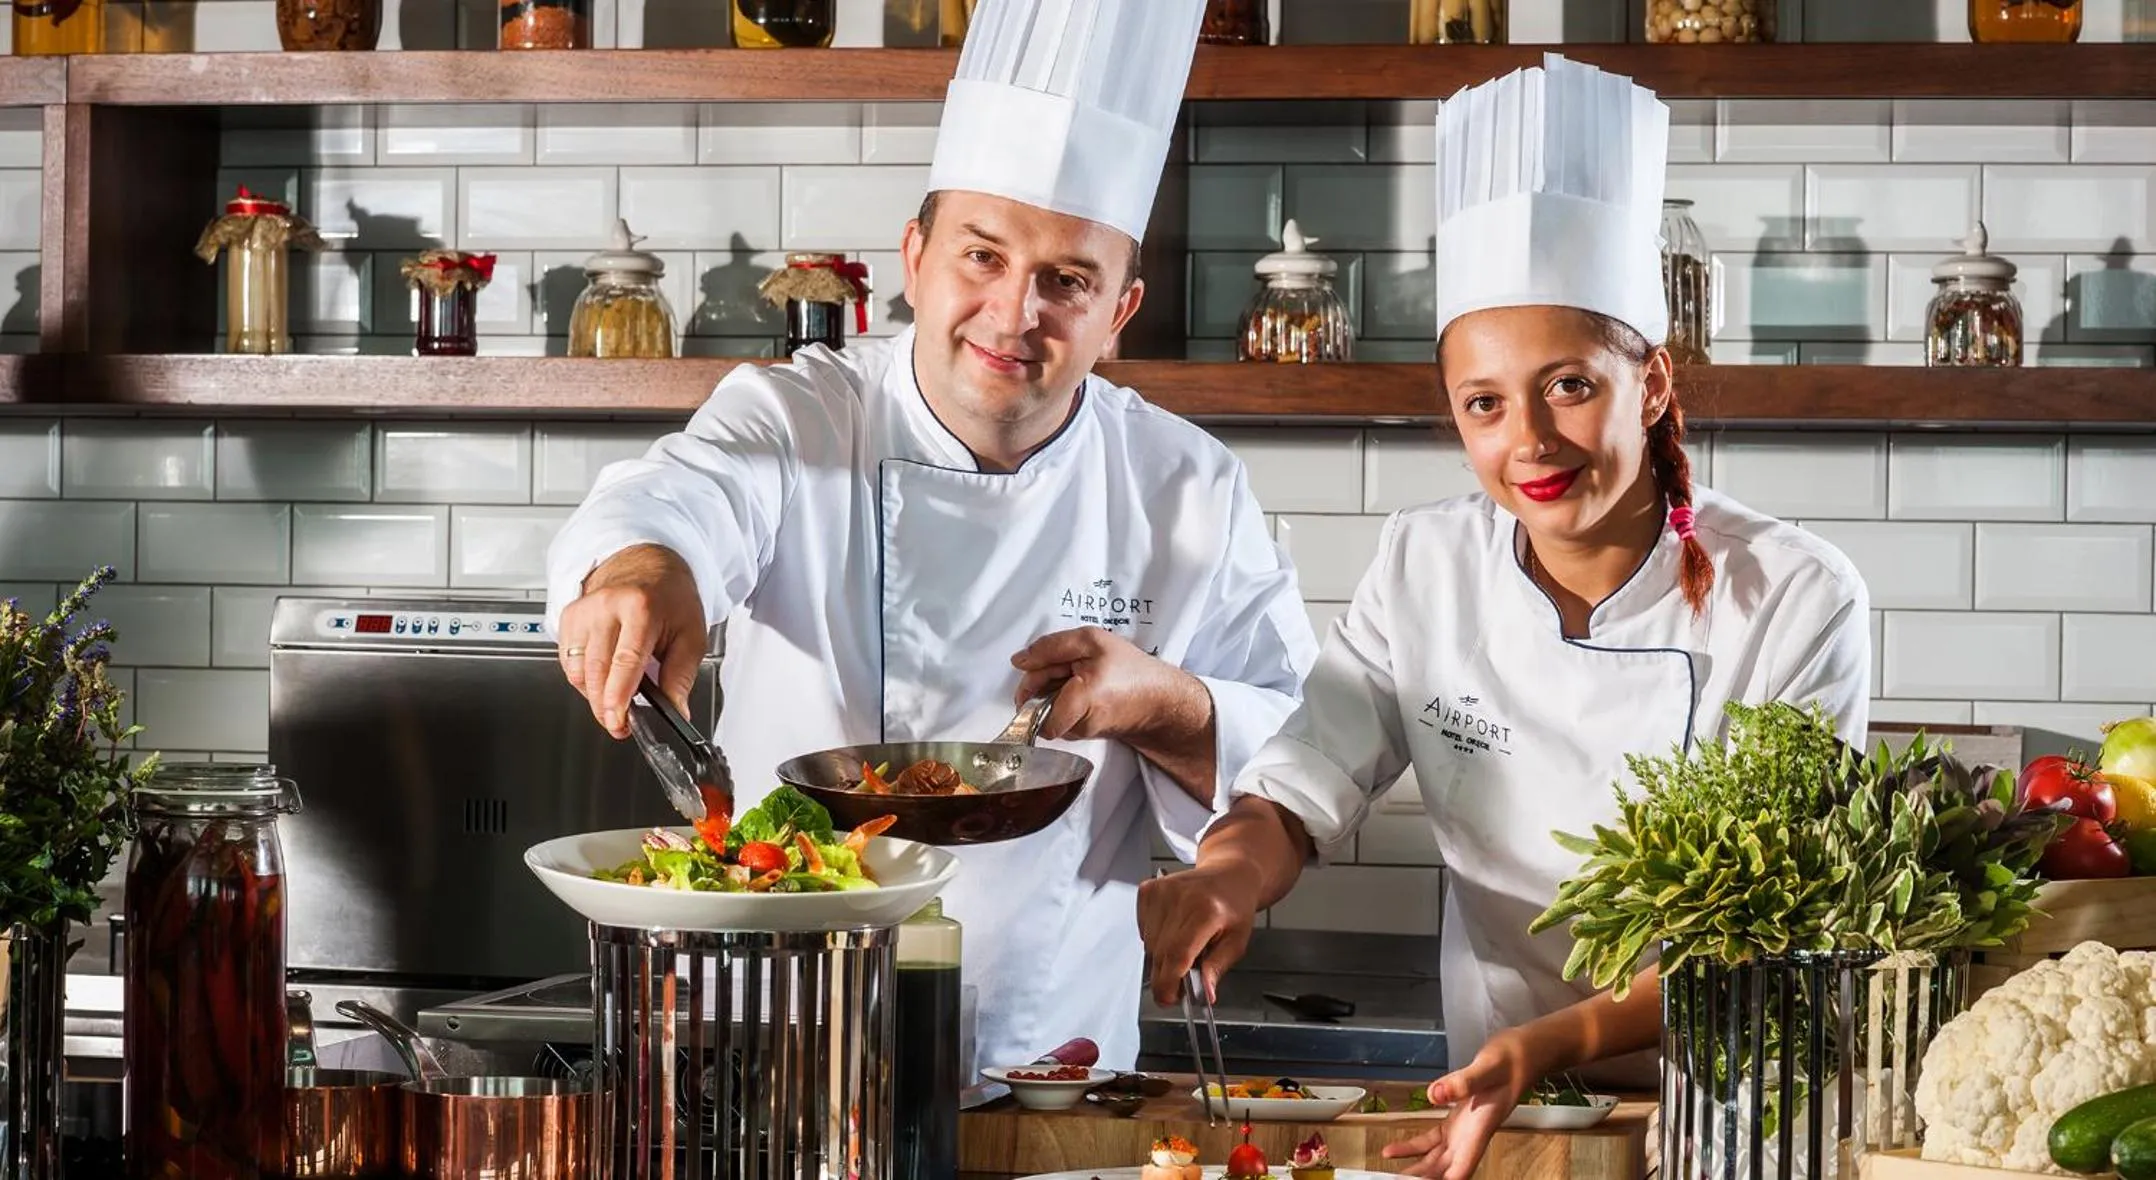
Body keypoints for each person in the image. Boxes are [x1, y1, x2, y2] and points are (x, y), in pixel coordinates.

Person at [542, 0, 1317, 1082]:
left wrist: (1161, 703)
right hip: (776, 1041)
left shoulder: (1185, 484)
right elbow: (682, 499)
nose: (1013, 313)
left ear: (1120, 310)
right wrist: (641, 572)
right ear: (914, 258)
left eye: (1067, 280)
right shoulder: (801, 416)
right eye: (981, 256)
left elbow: (1296, 758)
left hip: (1051, 1063)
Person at [1136, 54, 1872, 1180]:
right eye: (1484, 403)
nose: (1528, 440)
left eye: (1569, 385)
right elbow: (1300, 783)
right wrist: (1223, 875)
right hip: (1497, 1112)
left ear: (1651, 385)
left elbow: (1772, 933)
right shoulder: (1425, 562)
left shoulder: (1796, 596)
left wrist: (1548, 1042)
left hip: (1734, 1111)